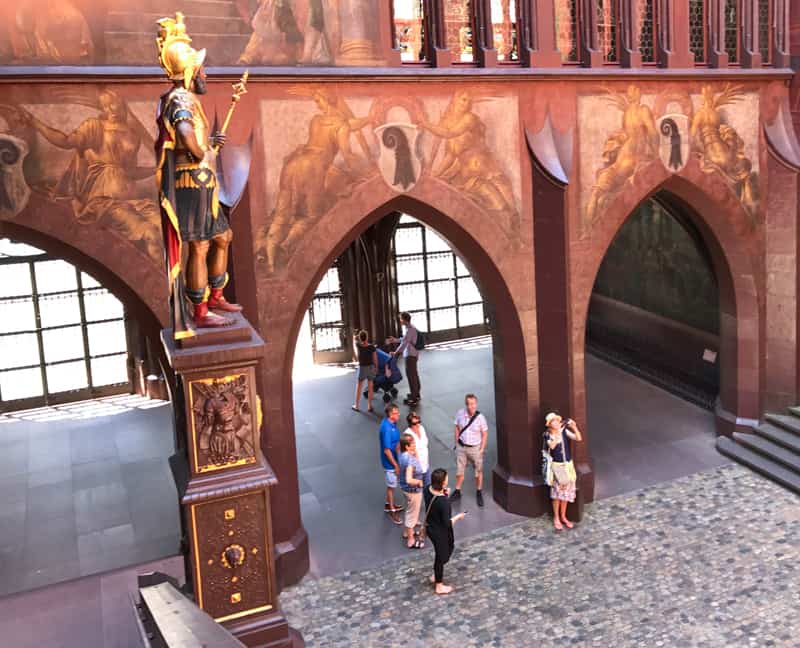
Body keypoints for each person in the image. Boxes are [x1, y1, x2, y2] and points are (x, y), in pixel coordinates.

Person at [155, 12, 242, 338]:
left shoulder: (185, 98)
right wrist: (201, 151)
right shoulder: (180, 99)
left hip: (202, 180)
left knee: (222, 238)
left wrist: (209, 145)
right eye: (201, 68)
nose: (205, 73)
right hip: (192, 180)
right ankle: (201, 310)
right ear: (191, 71)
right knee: (201, 245)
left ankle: (216, 296)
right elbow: (184, 131)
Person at [424, 468, 466, 595]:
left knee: (442, 553)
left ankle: (436, 575)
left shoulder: (427, 490)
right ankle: (439, 585)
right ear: (442, 483)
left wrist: (444, 493)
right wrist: (459, 517)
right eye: (446, 479)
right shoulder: (444, 503)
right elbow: (447, 523)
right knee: (443, 554)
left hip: (430, 527)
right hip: (440, 532)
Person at [543, 412, 583, 531]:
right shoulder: (547, 434)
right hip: (558, 466)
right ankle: (556, 517)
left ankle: (563, 516)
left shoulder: (564, 431)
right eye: (553, 421)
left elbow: (578, 438)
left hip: (568, 465)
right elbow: (552, 446)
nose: (556, 422)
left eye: (557, 420)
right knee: (557, 494)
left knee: (566, 494)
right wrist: (558, 434)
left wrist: (574, 427)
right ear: (549, 424)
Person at [450, 394, 489, 507]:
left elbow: (485, 433)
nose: (471, 406)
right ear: (466, 404)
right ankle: (457, 490)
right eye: (469, 404)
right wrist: (457, 442)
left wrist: (482, 448)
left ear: (476, 404)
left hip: (475, 448)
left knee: (478, 471)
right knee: (459, 470)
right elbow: (457, 426)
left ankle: (479, 491)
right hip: (462, 446)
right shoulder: (460, 413)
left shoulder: (480, 418)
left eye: (473, 404)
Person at [386, 312, 421, 406]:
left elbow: (404, 344)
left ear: (404, 320)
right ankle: (416, 394)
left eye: (401, 319)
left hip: (410, 355)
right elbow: (405, 340)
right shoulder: (411, 328)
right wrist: (395, 340)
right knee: (414, 375)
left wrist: (395, 353)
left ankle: (414, 398)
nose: (400, 321)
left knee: (411, 376)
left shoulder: (410, 330)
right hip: (413, 354)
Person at [398, 433, 425, 548]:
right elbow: (409, 479)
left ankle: (407, 531)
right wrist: (419, 482)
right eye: (412, 443)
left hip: (405, 488)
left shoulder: (403, 455)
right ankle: (410, 537)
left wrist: (415, 454)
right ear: (407, 446)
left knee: (410, 509)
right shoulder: (409, 460)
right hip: (413, 490)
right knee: (412, 514)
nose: (415, 444)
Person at [379, 403, 402, 524]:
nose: (398, 414)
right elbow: (387, 450)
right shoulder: (387, 428)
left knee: (392, 485)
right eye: (395, 413)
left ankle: (389, 504)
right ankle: (392, 510)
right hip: (390, 463)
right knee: (391, 487)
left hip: (394, 459)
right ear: (389, 414)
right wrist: (395, 465)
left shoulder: (392, 424)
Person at [352, 329, 377, 412]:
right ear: (367, 337)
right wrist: (376, 367)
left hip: (363, 368)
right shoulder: (372, 347)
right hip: (371, 367)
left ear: (360, 338)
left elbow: (354, 341)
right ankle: (370, 406)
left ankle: (357, 405)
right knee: (370, 387)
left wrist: (354, 337)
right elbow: (375, 359)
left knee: (359, 387)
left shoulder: (358, 346)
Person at [404, 412, 430, 488]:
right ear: (410, 424)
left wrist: (427, 462)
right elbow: (407, 453)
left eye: (419, 422)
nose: (418, 424)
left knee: (427, 487)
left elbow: (425, 446)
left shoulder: (421, 428)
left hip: (426, 464)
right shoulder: (407, 434)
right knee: (417, 489)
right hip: (416, 468)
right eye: (415, 423)